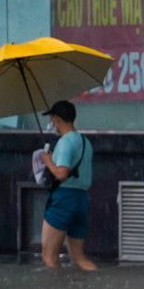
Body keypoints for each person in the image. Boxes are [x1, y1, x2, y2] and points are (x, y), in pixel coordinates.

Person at [38, 100, 98, 271]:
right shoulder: (85, 142)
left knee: (49, 257)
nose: (51, 123)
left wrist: (47, 161)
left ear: (57, 119)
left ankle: (53, 288)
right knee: (79, 258)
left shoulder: (65, 142)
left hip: (63, 199)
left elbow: (62, 174)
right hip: (81, 200)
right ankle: (97, 280)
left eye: (51, 119)